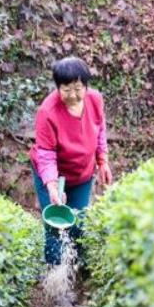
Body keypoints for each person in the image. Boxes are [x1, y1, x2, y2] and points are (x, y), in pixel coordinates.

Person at [29, 56, 113, 265]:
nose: (73, 95)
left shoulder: (95, 100)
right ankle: (55, 276)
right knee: (56, 224)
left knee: (78, 223)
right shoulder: (47, 112)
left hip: (82, 173)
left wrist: (103, 161)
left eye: (78, 88)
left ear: (86, 85)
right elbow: (46, 155)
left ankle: (78, 271)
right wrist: (52, 187)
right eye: (66, 90)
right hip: (53, 176)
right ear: (58, 88)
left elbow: (100, 130)